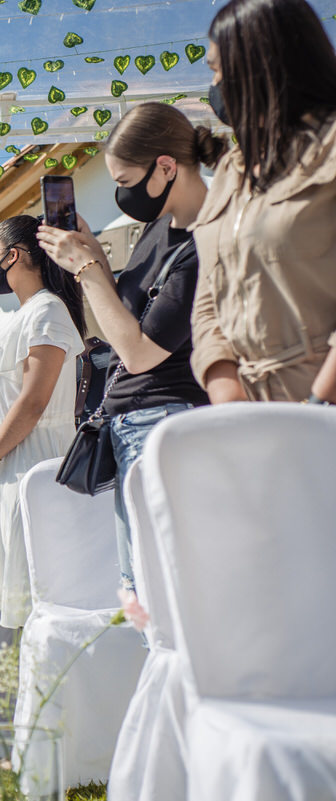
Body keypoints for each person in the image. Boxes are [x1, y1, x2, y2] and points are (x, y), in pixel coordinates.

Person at [36, 103, 226, 592]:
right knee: (138, 584)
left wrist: (85, 270)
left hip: (165, 421)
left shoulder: (208, 240)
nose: (122, 193)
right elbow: (120, 326)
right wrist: (95, 258)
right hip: (132, 424)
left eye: (126, 179)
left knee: (163, 586)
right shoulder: (159, 227)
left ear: (166, 167)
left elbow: (141, 353)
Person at [191, 0, 336, 404]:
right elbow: (208, 301)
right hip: (254, 419)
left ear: (261, 63)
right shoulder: (229, 172)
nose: (214, 86)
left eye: (217, 69)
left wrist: (318, 405)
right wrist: (229, 399)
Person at [0, 215, 86, 628]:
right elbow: (10, 396)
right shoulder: (28, 313)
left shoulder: (48, 311)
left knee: (41, 595)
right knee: (23, 599)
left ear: (13, 257)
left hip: (35, 461)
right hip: (12, 459)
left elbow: (35, 400)